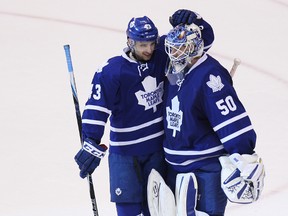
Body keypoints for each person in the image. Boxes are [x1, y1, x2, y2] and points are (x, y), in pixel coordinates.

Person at [74, 10, 215, 216]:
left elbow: (203, 44)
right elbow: (97, 108)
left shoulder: (162, 53)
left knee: (159, 211)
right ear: (131, 42)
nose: (149, 49)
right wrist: (90, 141)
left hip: (157, 150)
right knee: (128, 211)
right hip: (124, 155)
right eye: (143, 45)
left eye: (152, 43)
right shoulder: (112, 71)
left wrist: (197, 21)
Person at [162, 21, 265, 215]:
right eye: (173, 49)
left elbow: (230, 119)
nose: (174, 54)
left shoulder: (210, 76)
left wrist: (244, 155)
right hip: (174, 165)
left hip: (205, 165)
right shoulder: (176, 70)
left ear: (194, 49)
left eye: (180, 49)